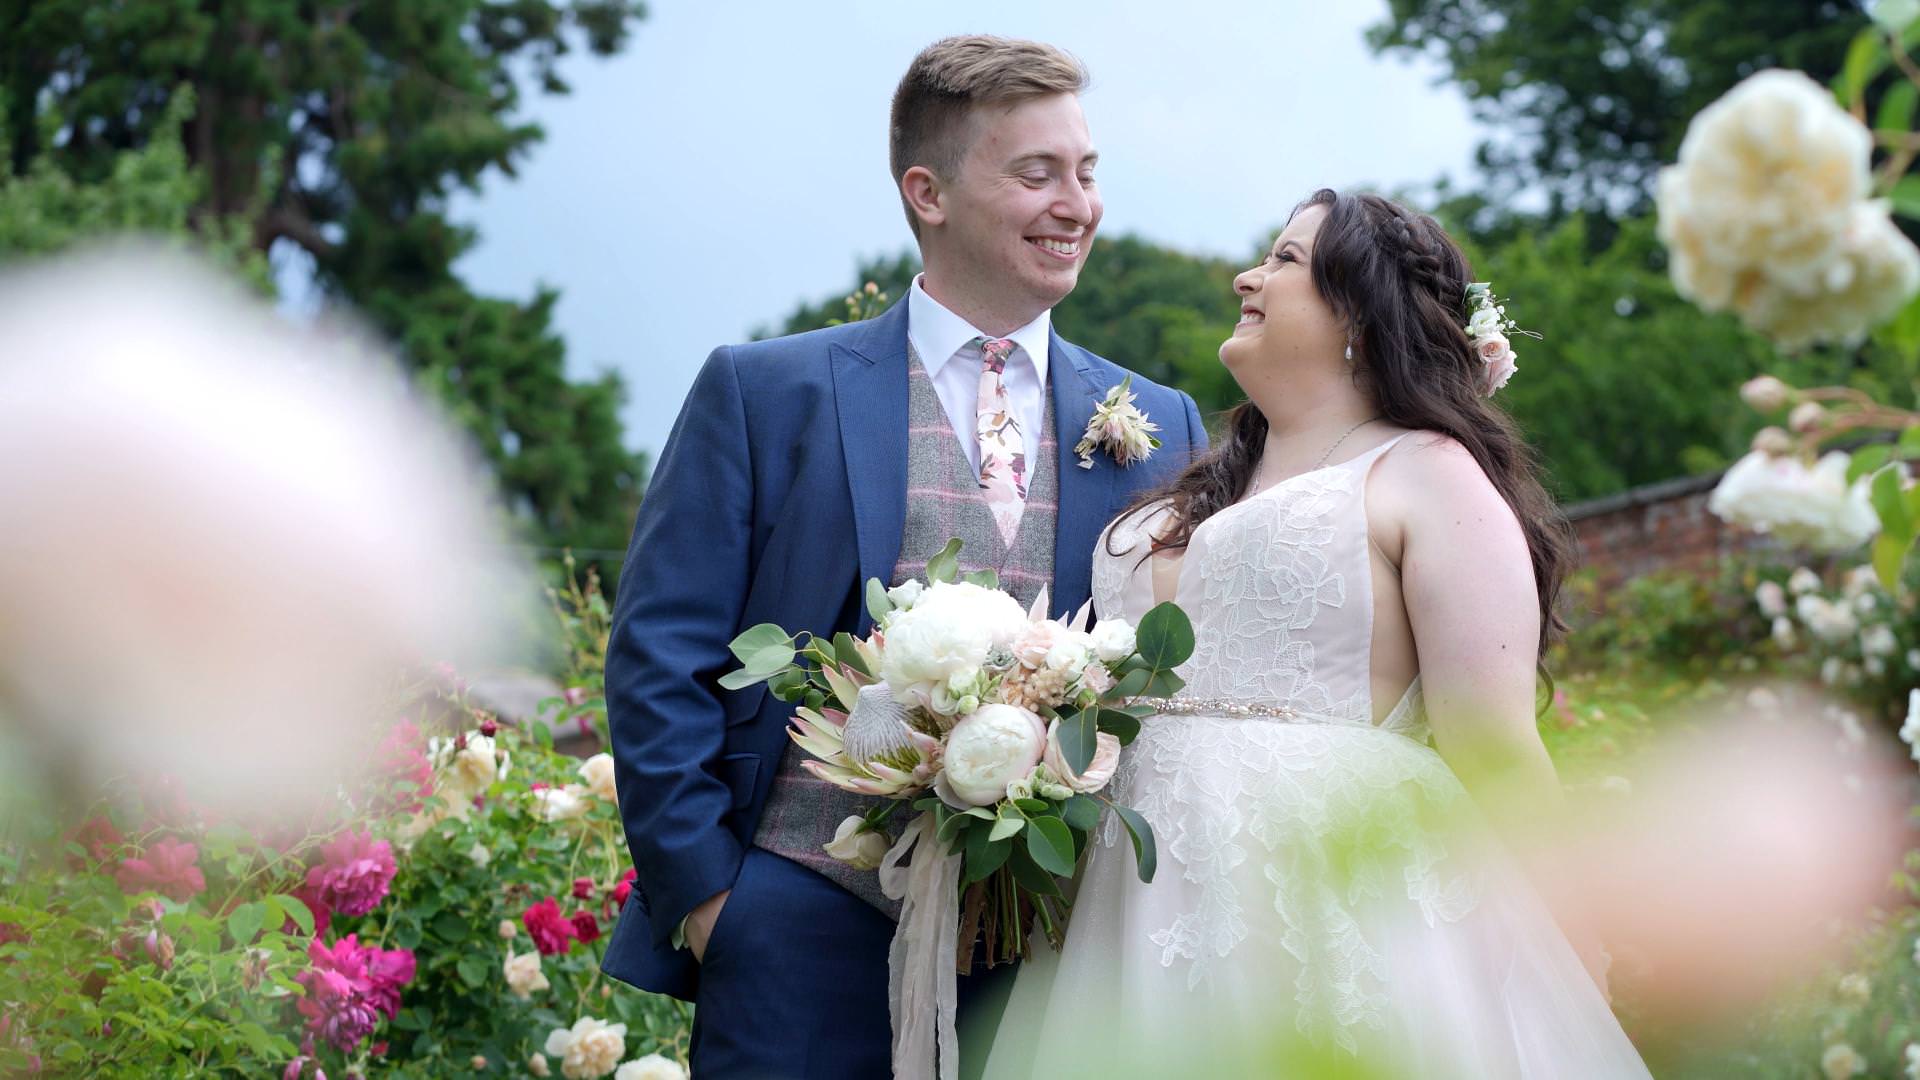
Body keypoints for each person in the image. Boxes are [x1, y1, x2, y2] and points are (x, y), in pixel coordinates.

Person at [599, 35, 1208, 1078]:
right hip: (795, 928)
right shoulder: (765, 392)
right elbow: (659, 653)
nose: (1078, 205)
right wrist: (712, 904)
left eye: (1087, 172)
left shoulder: (1160, 420)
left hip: (1057, 959)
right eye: (1037, 173)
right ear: (928, 191)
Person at [985, 189, 1653, 1078]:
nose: (1246, 276)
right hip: (1127, 901)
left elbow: (1495, 745)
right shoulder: (1192, 490)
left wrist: (1584, 944)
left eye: (1286, 260)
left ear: (1361, 319)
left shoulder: (1429, 474)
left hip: (1332, 906)